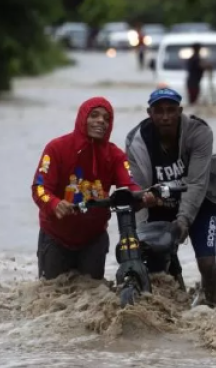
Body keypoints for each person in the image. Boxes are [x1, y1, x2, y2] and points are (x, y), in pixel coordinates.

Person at [125, 88, 216, 307]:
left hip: (202, 201)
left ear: (180, 111)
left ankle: (214, 307)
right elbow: (139, 189)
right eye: (159, 111)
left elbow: (196, 182)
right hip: (160, 203)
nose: (165, 117)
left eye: (171, 110)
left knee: (207, 262)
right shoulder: (136, 141)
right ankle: (173, 307)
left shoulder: (199, 132)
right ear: (149, 113)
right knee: (155, 264)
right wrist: (139, 234)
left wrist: (184, 220)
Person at [32, 97, 148, 280]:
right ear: (82, 118)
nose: (101, 121)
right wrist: (54, 203)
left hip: (94, 239)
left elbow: (129, 186)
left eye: (106, 118)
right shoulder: (56, 148)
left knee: (92, 297)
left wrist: (144, 196)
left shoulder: (116, 155)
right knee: (51, 298)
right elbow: (39, 188)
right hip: (55, 237)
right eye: (94, 115)